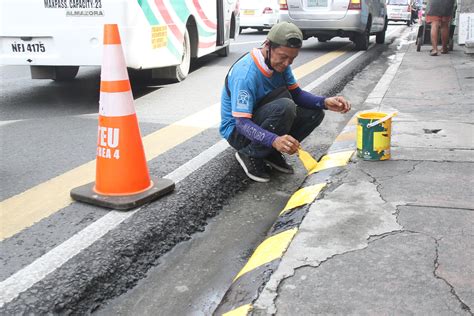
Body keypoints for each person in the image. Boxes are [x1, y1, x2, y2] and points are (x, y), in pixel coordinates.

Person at [219, 22, 351, 183]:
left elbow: (297, 95)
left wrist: (324, 102)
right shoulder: (245, 74)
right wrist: (273, 140)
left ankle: (269, 152)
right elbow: (241, 123)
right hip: (237, 132)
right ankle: (250, 153)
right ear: (267, 46)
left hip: (260, 118)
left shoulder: (281, 64)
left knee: (314, 114)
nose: (287, 63)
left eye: (292, 58)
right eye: (283, 57)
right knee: (285, 107)